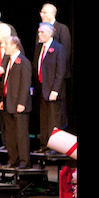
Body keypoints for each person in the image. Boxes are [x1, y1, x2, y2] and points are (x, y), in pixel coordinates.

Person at [0, 36, 33, 169]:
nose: (4, 47)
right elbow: (6, 82)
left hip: (19, 105)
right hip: (9, 103)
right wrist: (3, 99)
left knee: (21, 135)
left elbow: (25, 84)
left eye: (6, 44)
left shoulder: (23, 62)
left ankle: (24, 161)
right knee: (10, 134)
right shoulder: (8, 60)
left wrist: (22, 102)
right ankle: (13, 159)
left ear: (15, 45)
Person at [33, 22, 67, 153]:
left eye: (42, 32)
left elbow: (60, 71)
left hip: (53, 90)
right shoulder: (39, 47)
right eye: (39, 32)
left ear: (50, 33)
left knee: (54, 119)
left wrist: (55, 90)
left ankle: (55, 147)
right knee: (44, 118)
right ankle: (44, 144)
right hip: (42, 88)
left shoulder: (58, 48)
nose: (39, 35)